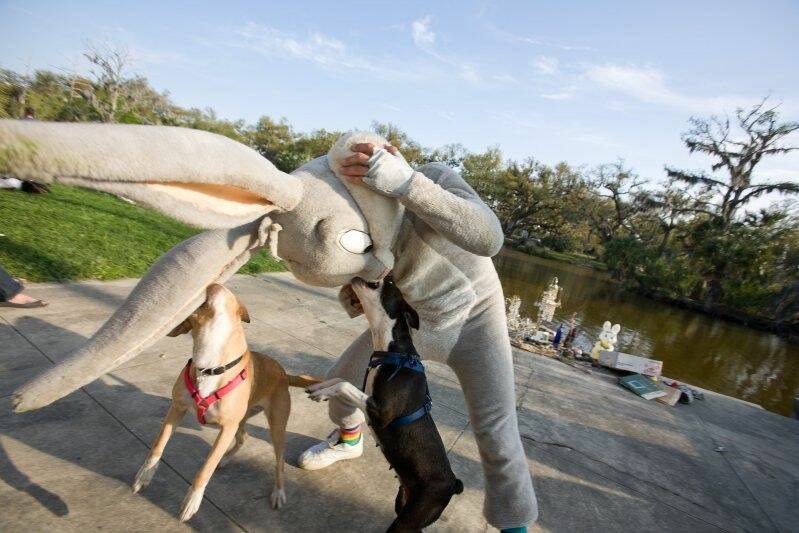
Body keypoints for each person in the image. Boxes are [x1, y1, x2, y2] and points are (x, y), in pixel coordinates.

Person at [298, 142, 537, 532]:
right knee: (339, 378)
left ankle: (515, 526)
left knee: (497, 427)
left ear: (391, 153)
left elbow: (488, 238)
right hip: (415, 324)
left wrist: (407, 183)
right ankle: (348, 440)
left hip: (476, 321)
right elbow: (358, 278)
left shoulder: (436, 176)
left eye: (370, 162)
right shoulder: (363, 218)